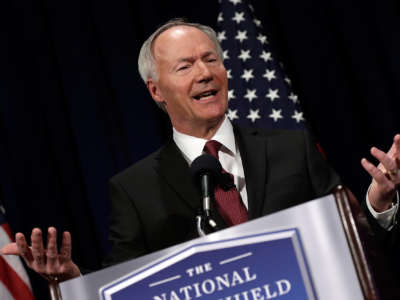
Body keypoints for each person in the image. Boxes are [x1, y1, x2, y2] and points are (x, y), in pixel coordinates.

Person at [1, 19, 399, 283]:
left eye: (211, 60)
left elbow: (354, 239)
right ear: (156, 90)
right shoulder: (135, 190)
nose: (205, 73)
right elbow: (126, 284)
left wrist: (378, 201)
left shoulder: (291, 148)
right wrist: (72, 279)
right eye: (185, 66)